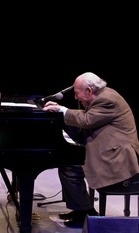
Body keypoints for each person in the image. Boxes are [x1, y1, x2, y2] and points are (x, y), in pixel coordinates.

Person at [42, 72, 139, 227]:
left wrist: (62, 111)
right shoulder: (102, 97)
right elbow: (88, 116)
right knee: (69, 165)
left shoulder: (107, 100)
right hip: (108, 151)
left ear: (88, 91)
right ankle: (82, 210)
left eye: (77, 93)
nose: (75, 98)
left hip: (117, 158)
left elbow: (87, 119)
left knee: (70, 167)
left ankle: (84, 212)